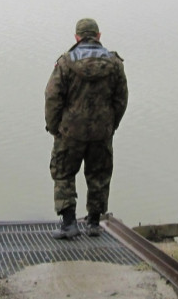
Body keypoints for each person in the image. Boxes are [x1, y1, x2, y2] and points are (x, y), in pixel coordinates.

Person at [44, 18, 129, 239]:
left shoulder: (65, 62)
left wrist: (54, 127)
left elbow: (52, 97)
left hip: (70, 132)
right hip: (102, 132)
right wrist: (112, 125)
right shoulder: (114, 64)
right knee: (99, 175)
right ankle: (93, 223)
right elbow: (121, 99)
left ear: (77, 37)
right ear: (98, 36)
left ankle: (69, 224)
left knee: (63, 173)